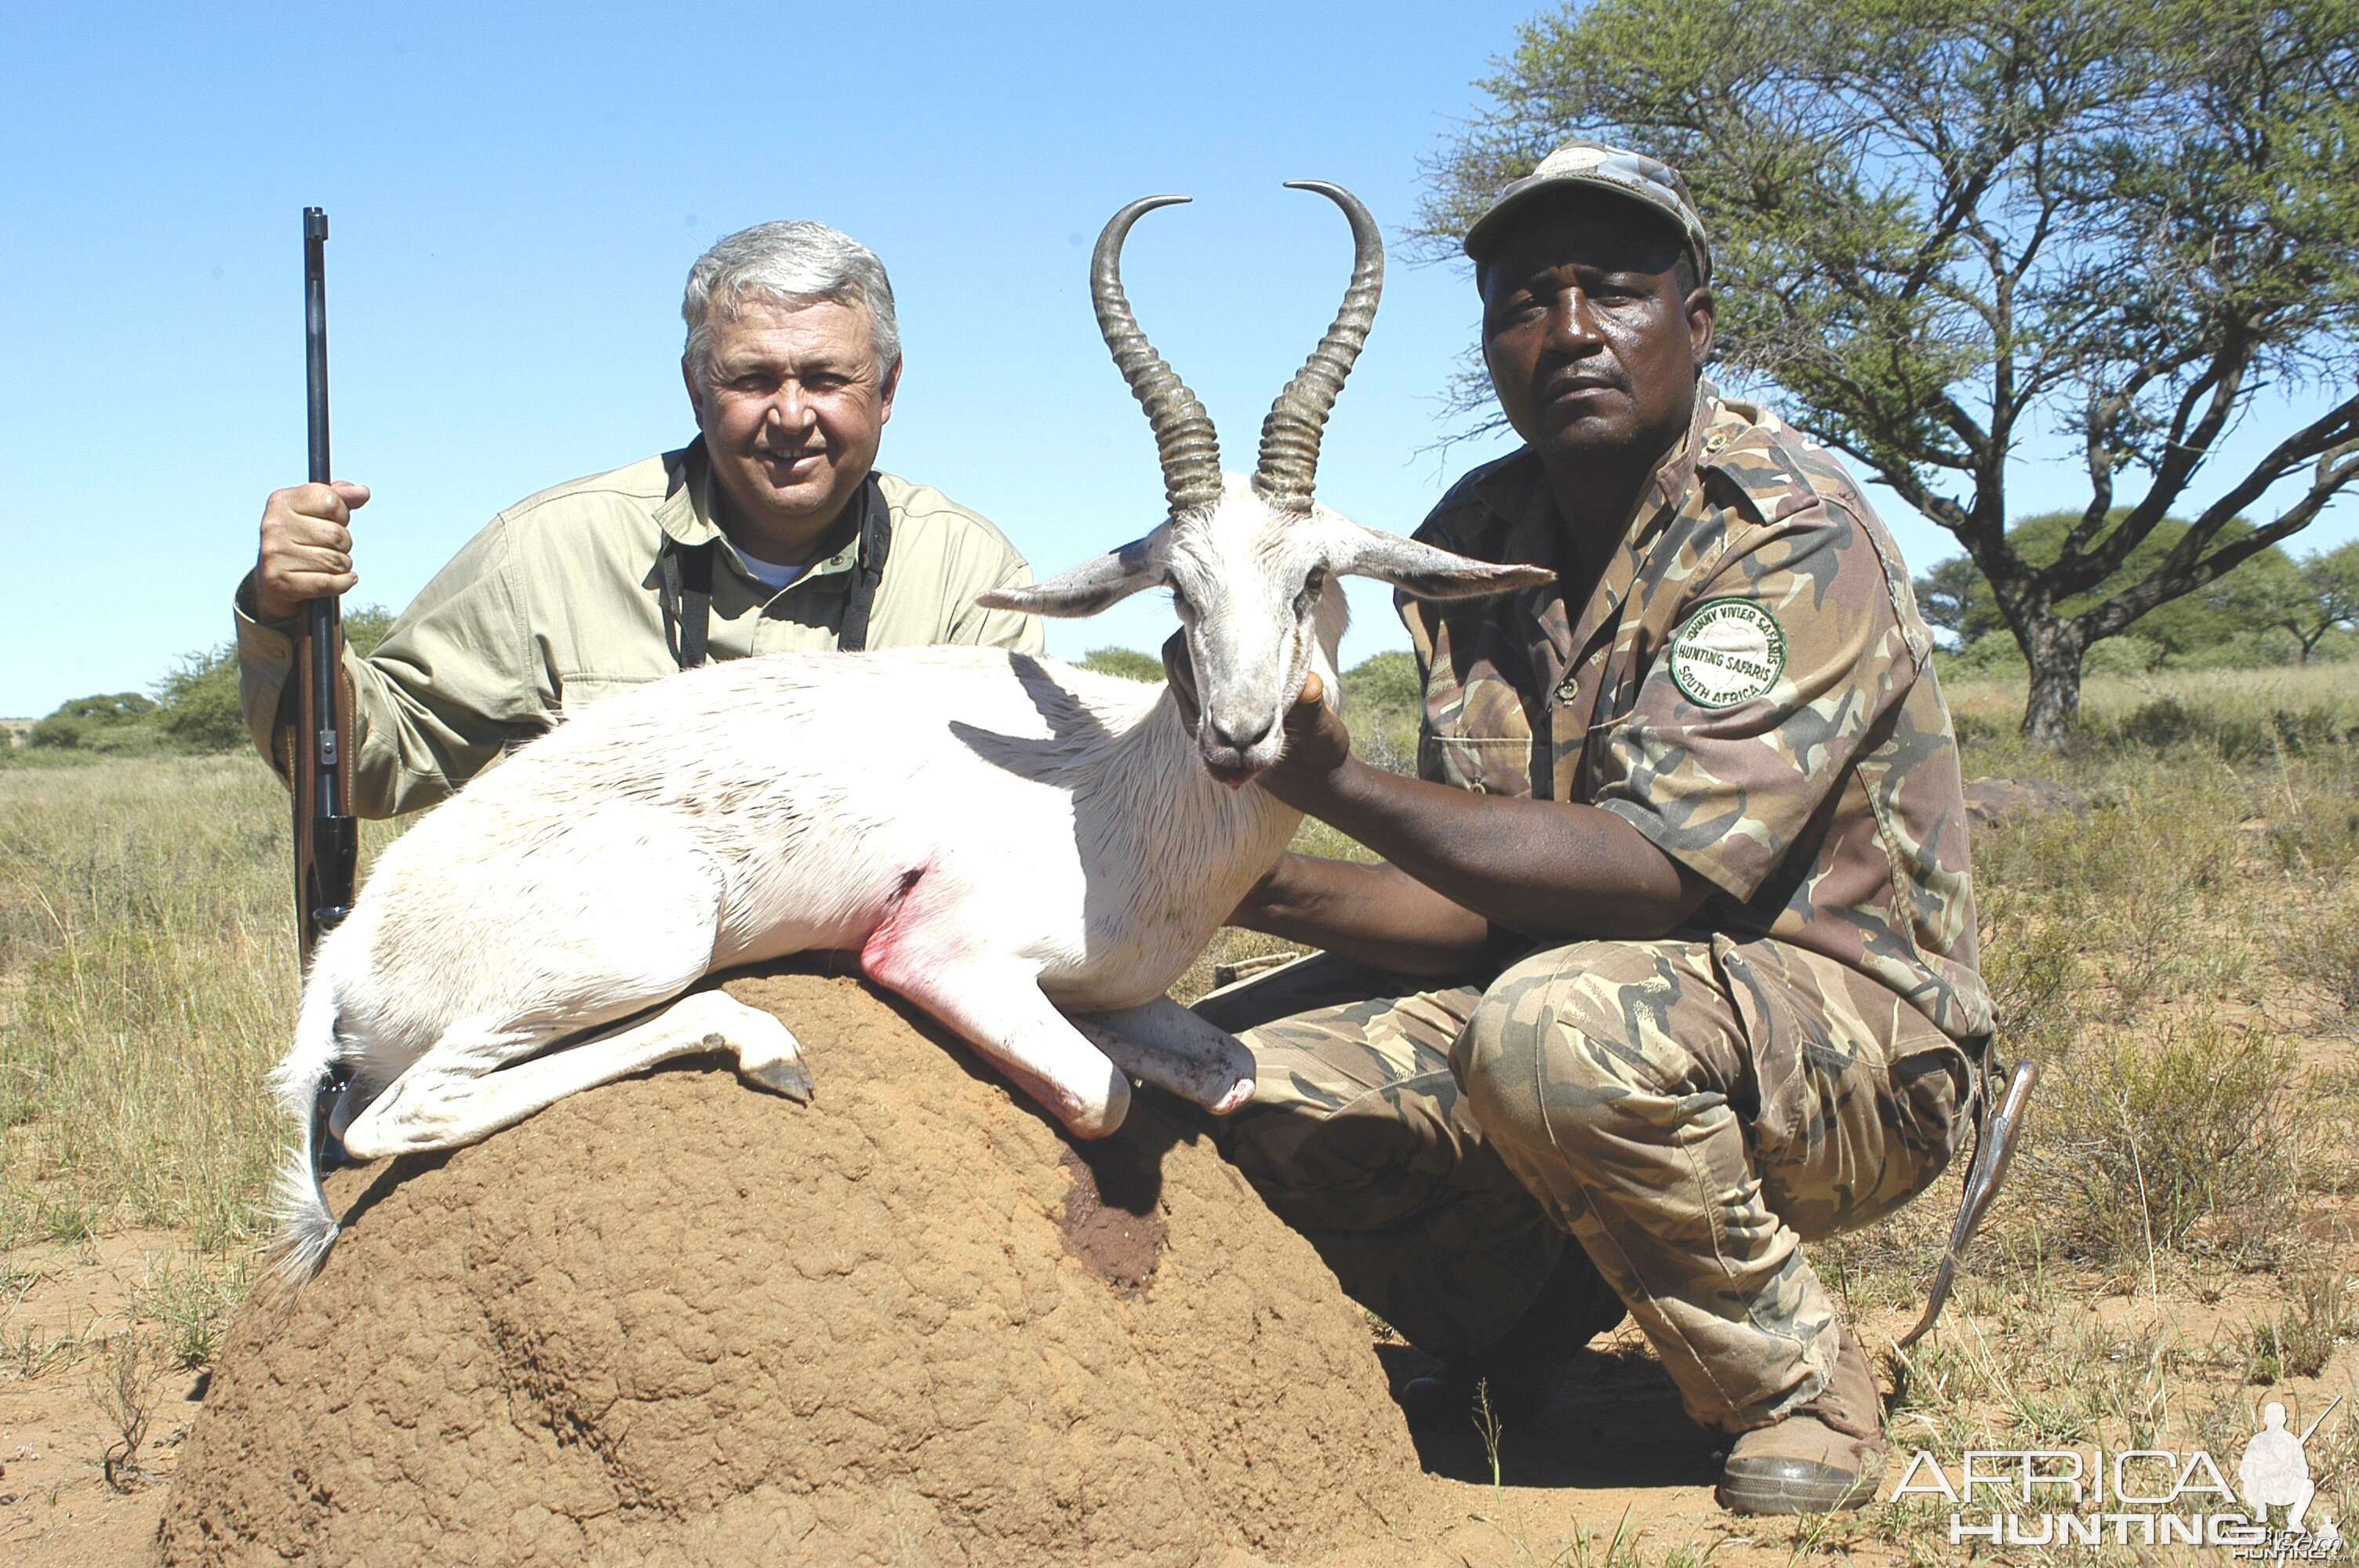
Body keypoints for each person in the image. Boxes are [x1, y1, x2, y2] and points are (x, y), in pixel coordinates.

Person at [1176, 140, 1991, 1515]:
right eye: (1518, 302)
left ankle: (1796, 1384)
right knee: (1229, 1072)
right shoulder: (1473, 538)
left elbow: (1643, 879)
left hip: (1858, 1049)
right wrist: (1216, 862)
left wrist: (1315, 783)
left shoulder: (1786, 528)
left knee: (1552, 1026)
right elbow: (1479, 906)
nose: (1563, 333)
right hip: (1577, 987)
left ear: (1696, 322)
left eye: (1609, 290)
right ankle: (1512, 1338)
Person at [235, 220, 1042, 816]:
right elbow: (375, 765)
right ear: (696, 387)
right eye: (751, 378)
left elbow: (1019, 818)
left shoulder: (971, 576)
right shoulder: (548, 549)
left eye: (827, 378)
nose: (791, 415)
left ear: (887, 388)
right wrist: (285, 613)